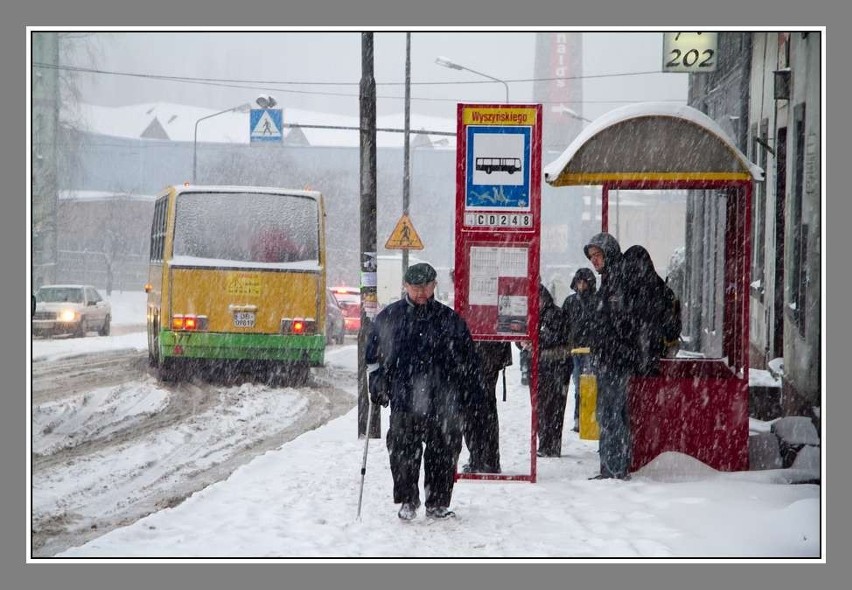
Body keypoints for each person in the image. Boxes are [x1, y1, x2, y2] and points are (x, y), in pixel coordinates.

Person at [365, 262, 485, 521]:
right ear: (405, 286)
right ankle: (408, 499)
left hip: (443, 400)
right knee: (402, 449)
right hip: (404, 398)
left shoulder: (450, 320)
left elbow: (468, 361)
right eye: (415, 287)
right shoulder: (389, 318)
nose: (421, 292)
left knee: (443, 450)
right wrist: (376, 381)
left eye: (426, 287)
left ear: (434, 286)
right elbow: (372, 357)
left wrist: (467, 392)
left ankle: (438, 502)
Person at [583, 232, 639, 480]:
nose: (594, 261)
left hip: (614, 360)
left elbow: (619, 324)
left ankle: (614, 467)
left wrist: (604, 341)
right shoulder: (610, 280)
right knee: (611, 414)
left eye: (597, 255)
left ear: (609, 254)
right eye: (591, 257)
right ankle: (612, 465)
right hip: (611, 358)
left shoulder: (617, 280)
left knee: (611, 415)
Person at [524, 283, 572, 457]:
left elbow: (556, 336)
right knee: (541, 407)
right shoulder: (532, 315)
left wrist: (534, 339)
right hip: (539, 366)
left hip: (555, 366)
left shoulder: (555, 314)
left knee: (553, 408)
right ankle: (546, 444)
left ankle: (551, 445)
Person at [622, 245, 683, 373]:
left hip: (631, 362)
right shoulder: (663, 290)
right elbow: (673, 327)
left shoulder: (624, 293)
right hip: (656, 359)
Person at [462, 340, 512, 474]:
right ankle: (484, 458)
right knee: (481, 406)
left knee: (477, 407)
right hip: (484, 349)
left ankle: (483, 457)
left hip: (482, 350)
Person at [561, 267, 598, 432]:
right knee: (579, 385)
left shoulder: (595, 301)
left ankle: (587, 418)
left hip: (589, 349)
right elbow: (563, 324)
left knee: (588, 385)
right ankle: (579, 418)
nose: (581, 285)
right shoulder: (570, 302)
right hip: (575, 349)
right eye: (579, 282)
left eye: (584, 282)